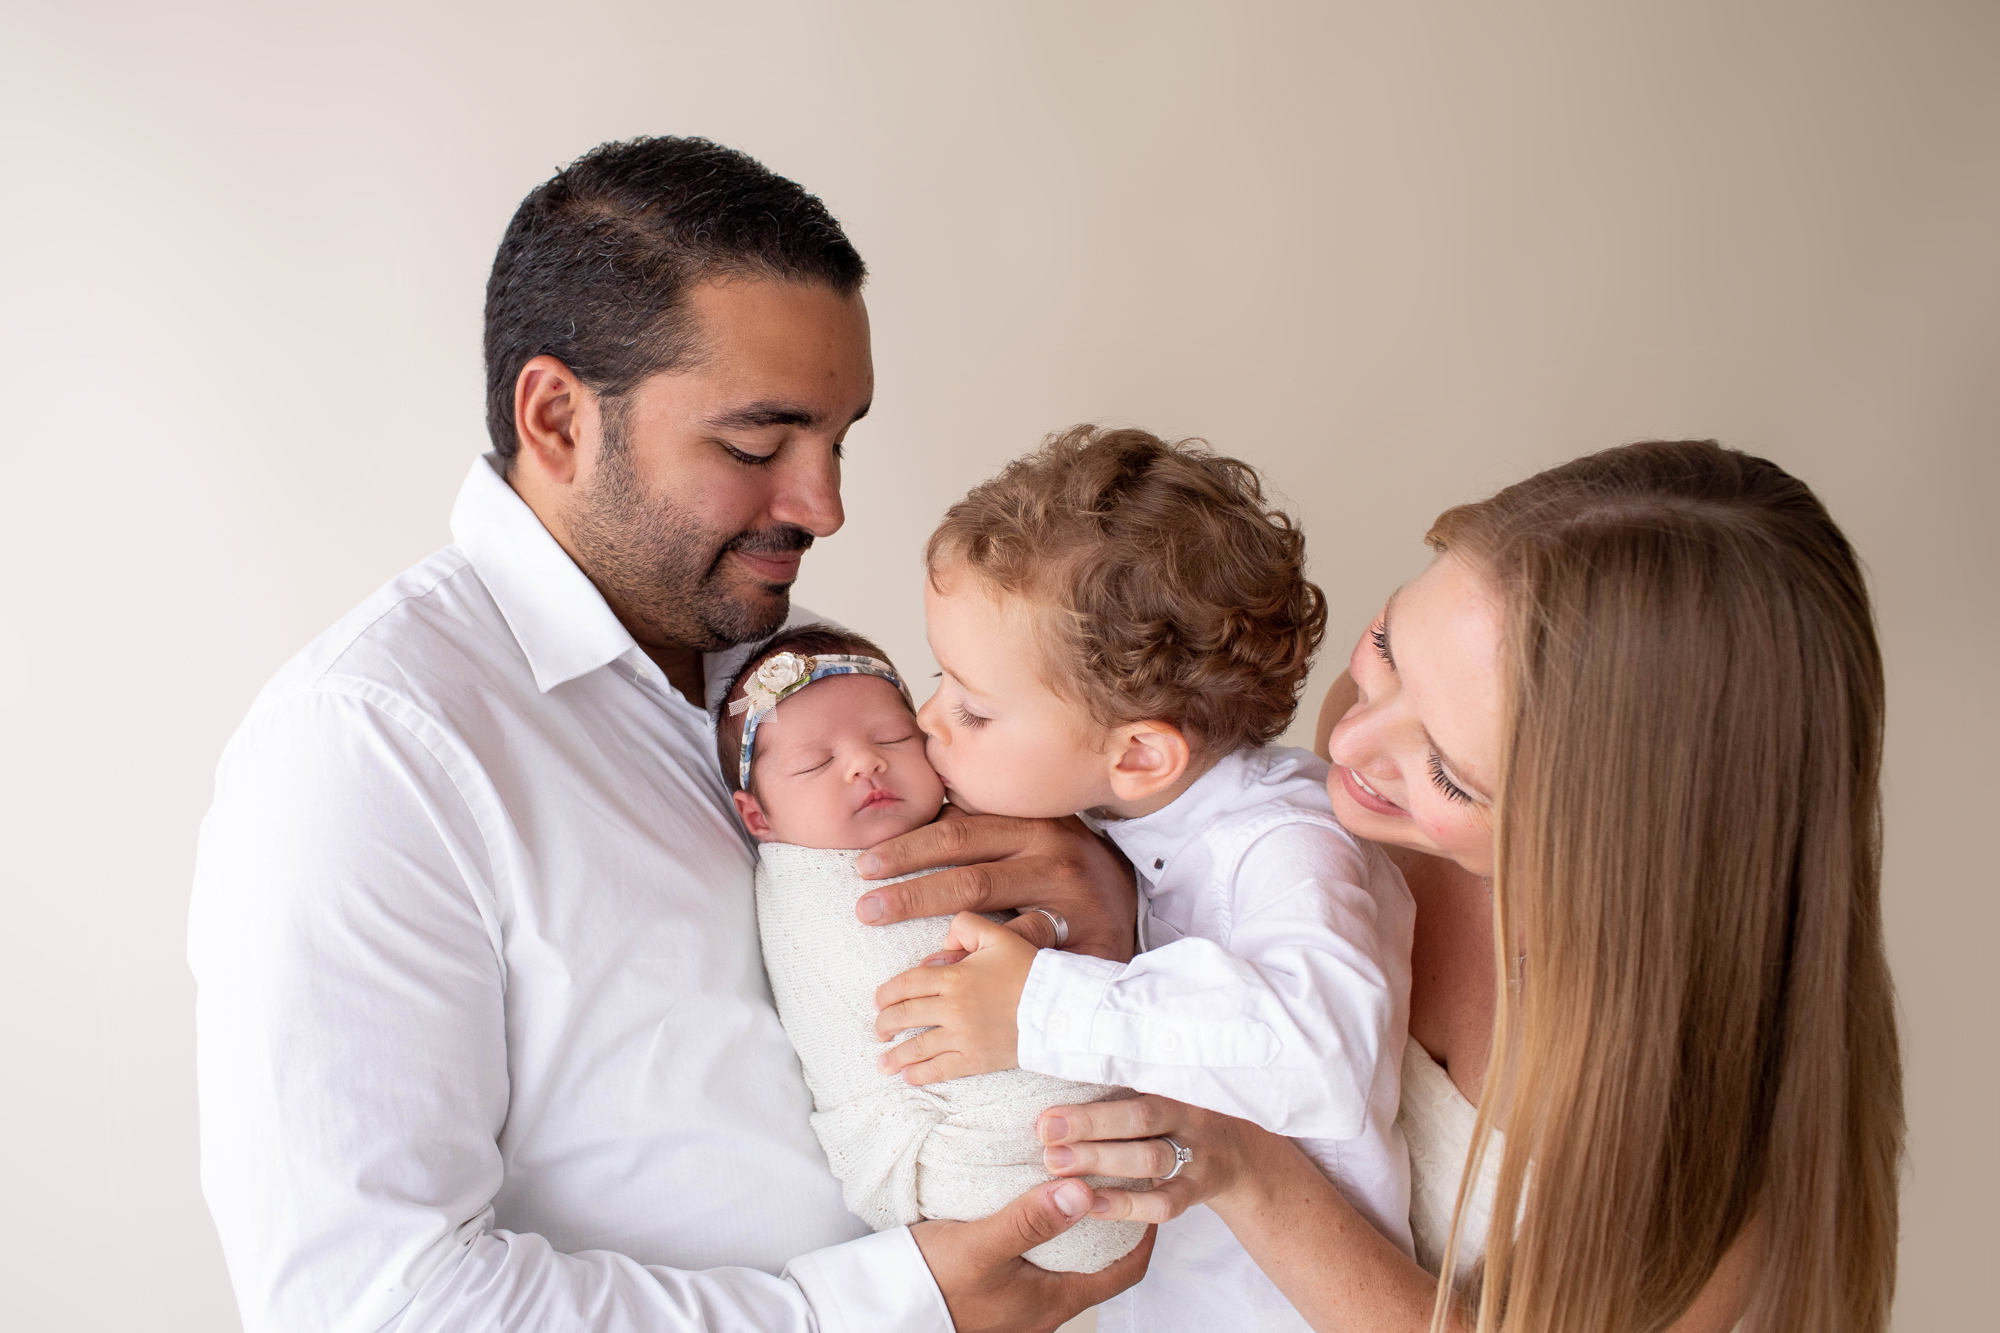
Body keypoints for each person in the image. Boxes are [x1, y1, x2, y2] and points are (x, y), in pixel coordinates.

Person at [188, 136, 1146, 1333]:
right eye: (756, 446)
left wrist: (1106, 899)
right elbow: (374, 1302)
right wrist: (892, 1308)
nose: (824, 506)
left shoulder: (824, 678)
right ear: (556, 418)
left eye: (838, 441)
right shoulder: (368, 750)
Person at [1010, 440, 1904, 1333]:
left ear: (1607, 837)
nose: (1351, 743)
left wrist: (1252, 1171)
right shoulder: (1367, 760)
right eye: (1391, 648)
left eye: (1449, 772)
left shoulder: (1706, 1127)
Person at [868, 427, 1417, 1332]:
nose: (929, 718)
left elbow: (1321, 1051)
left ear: (1139, 753)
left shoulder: (1286, 839)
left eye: (971, 706)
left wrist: (1038, 1008)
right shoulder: (1105, 812)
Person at [719, 623, 1146, 1275]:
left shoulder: (994, 816)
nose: (865, 763)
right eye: (815, 762)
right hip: (948, 1154)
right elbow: (923, 1001)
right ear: (759, 818)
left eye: (892, 738)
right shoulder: (823, 893)